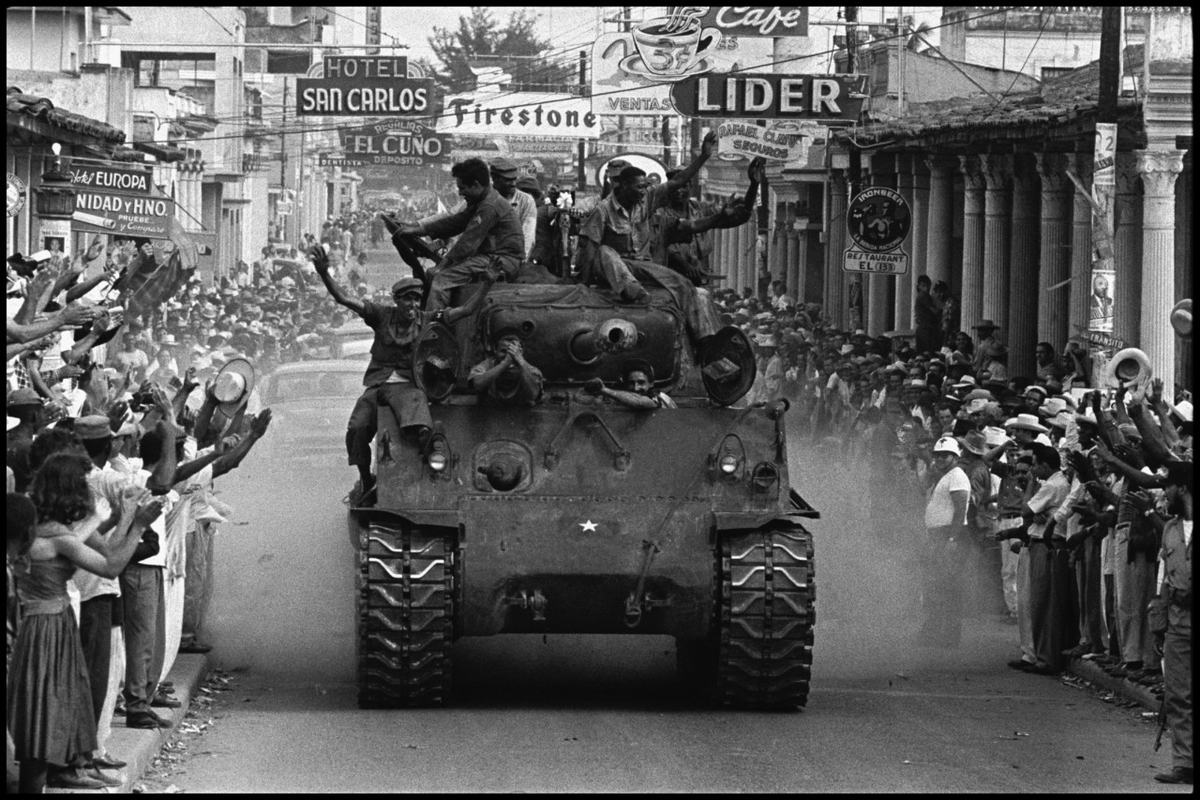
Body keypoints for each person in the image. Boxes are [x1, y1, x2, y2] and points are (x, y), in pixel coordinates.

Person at [8, 451, 162, 793]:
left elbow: (101, 548)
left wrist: (120, 519)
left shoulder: (43, 530)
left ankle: (55, 775)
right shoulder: (59, 538)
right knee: (46, 715)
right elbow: (109, 565)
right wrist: (135, 524)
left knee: (43, 714)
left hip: (44, 627)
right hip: (49, 629)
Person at [310, 246, 493, 506]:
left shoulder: (427, 318)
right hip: (378, 384)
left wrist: (486, 283)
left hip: (408, 385)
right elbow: (345, 299)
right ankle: (366, 479)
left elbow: (463, 311)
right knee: (357, 428)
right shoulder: (380, 315)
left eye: (416, 299)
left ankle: (434, 473)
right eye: (407, 299)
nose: (412, 305)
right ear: (397, 300)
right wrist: (324, 273)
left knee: (419, 427)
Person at [576, 133, 723, 347]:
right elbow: (590, 249)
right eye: (639, 187)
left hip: (641, 266)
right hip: (611, 268)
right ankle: (630, 290)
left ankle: (707, 343)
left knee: (685, 285)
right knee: (605, 251)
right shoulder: (603, 211)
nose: (644, 191)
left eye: (646, 186)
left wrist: (703, 157)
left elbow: (679, 181)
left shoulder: (646, 199)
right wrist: (583, 284)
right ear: (624, 186)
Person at [388, 158, 525, 312]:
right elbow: (455, 222)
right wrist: (417, 229)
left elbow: (467, 243)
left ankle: (430, 326)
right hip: (492, 257)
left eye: (462, 188)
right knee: (432, 274)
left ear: (476, 185)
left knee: (441, 279)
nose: (460, 193)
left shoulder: (489, 206)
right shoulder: (483, 201)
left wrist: (441, 266)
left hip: (502, 260)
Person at [650, 157, 762, 286]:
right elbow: (661, 244)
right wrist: (685, 265)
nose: (679, 191)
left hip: (699, 278)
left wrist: (754, 185)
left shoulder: (701, 209)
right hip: (668, 278)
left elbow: (738, 216)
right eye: (676, 186)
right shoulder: (658, 212)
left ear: (691, 186)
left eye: (683, 186)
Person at [919, 435, 972, 647]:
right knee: (936, 585)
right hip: (940, 534)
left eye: (945, 456)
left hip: (950, 534)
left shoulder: (957, 476)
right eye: (938, 456)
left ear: (955, 457)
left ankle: (949, 636)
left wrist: (952, 538)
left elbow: (960, 510)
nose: (940, 459)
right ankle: (936, 632)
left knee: (948, 587)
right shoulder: (946, 475)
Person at [468, 327, 544, 406]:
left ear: (520, 352)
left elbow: (534, 394)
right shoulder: (487, 365)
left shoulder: (531, 370)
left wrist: (520, 362)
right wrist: (504, 364)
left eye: (512, 352)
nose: (508, 356)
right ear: (495, 349)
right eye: (504, 351)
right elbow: (477, 384)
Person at [582, 359, 676, 410]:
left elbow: (640, 402)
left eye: (641, 382)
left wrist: (604, 390)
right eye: (631, 383)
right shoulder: (624, 398)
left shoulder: (658, 397)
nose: (636, 388)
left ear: (651, 383)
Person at [914, 274, 942, 355]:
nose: (926, 288)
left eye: (928, 285)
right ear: (919, 286)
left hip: (923, 328)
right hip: (927, 328)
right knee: (929, 352)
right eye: (923, 285)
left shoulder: (920, 296)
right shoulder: (923, 296)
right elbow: (934, 311)